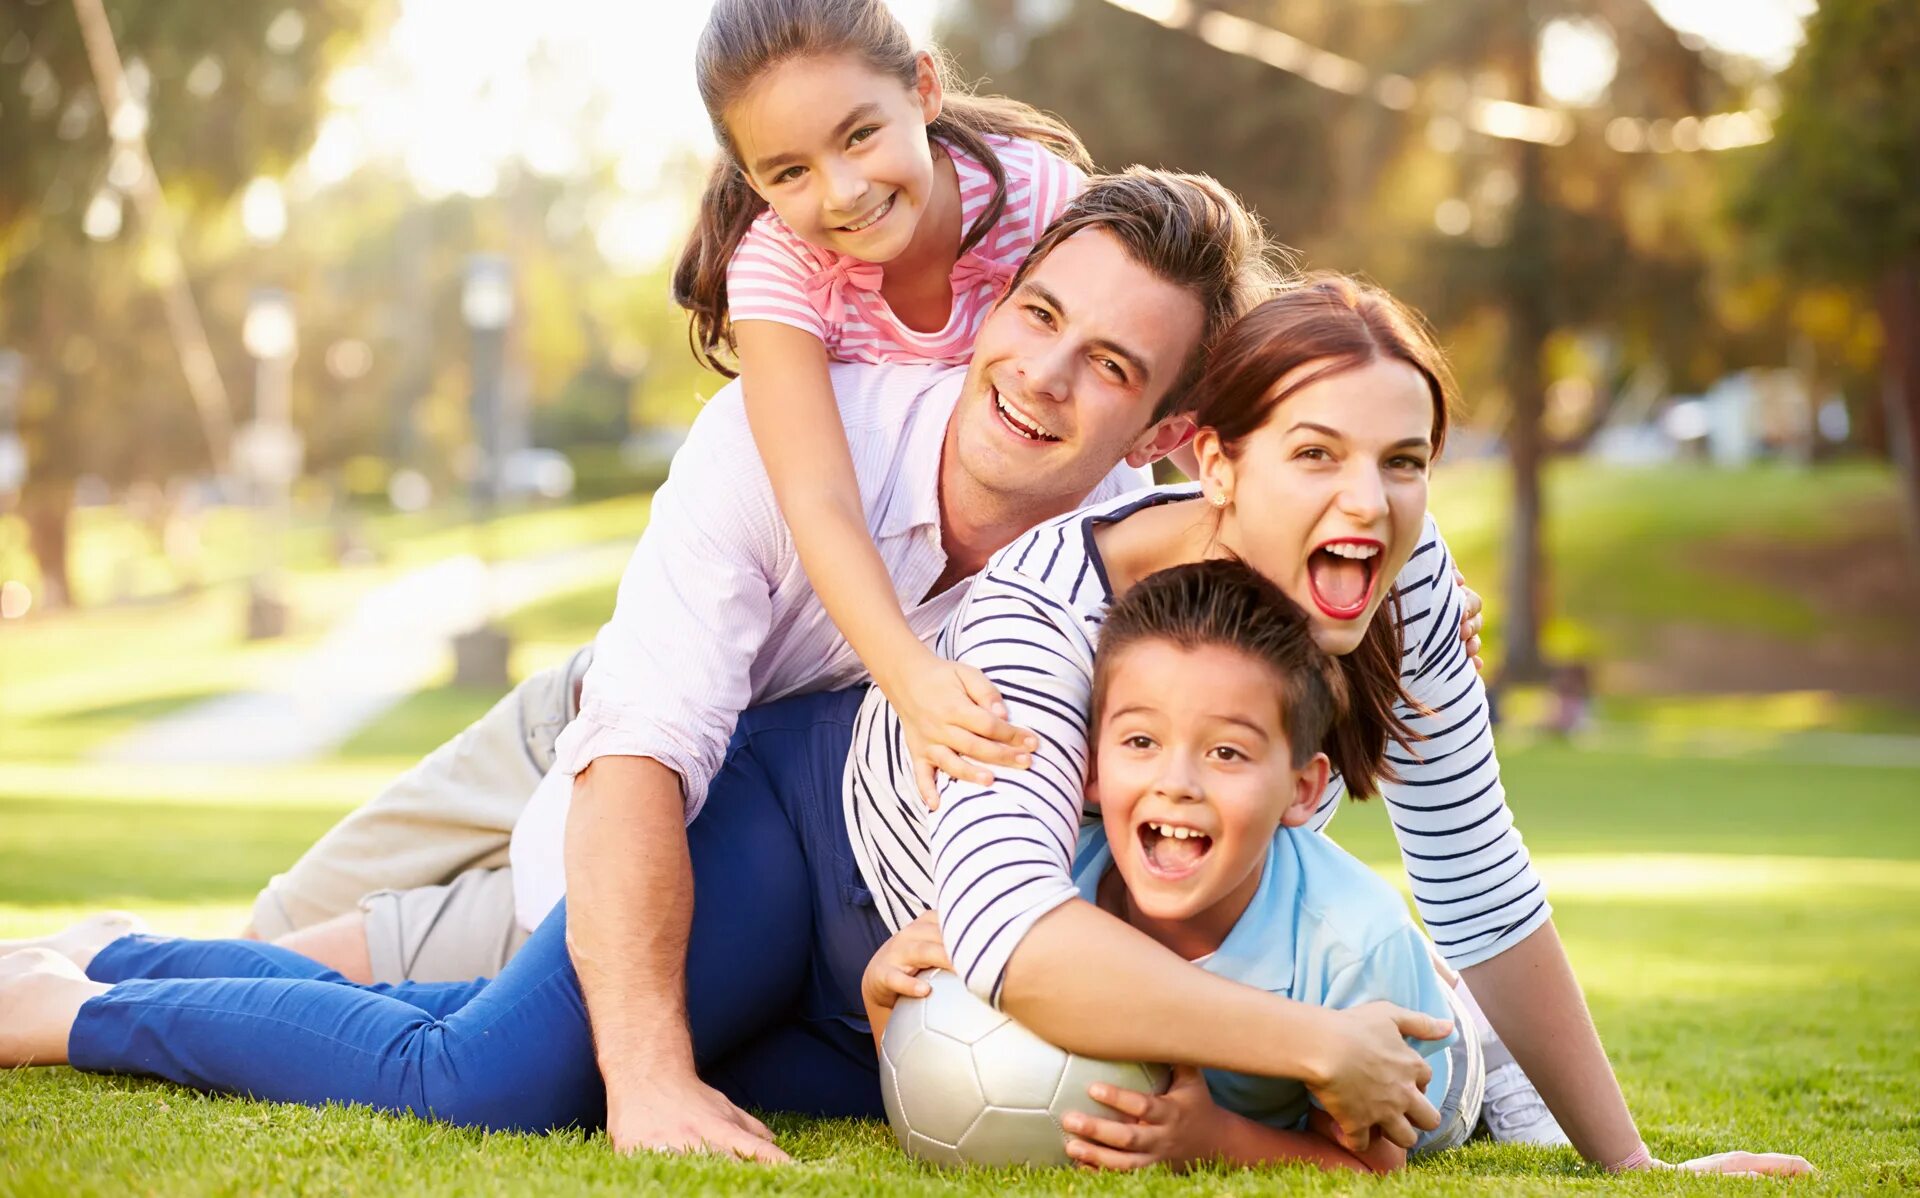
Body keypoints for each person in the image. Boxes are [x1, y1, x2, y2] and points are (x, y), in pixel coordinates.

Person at [2, 173, 1457, 1155]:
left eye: (1119, 367)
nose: (1053, 376)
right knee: (487, 1077)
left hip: (883, 963)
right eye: (1038, 318)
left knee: (480, 1030)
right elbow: (655, 742)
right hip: (775, 826)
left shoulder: (1309, 579)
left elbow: (1432, 915)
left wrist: (1586, 1140)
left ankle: (124, 951)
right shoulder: (1035, 574)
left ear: (1168, 428)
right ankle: (73, 1003)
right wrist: (1307, 1041)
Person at [540, 275, 1809, 1174]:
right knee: (505, 1079)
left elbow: (1474, 886)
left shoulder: (1403, 580)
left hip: (920, 990)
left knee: (772, 1090)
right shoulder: (1048, 600)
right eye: (1315, 452)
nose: (1367, 499)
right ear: (1217, 462)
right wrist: (1318, 1043)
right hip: (820, 851)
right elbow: (1010, 930)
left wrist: (1631, 1162)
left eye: (1405, 460)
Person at [861, 559, 1483, 1174]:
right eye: (1141, 742)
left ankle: (1471, 1015)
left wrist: (1216, 1141)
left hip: (1424, 1068)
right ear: (1092, 769)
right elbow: (928, 1072)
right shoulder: (1054, 888)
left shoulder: (1353, 951)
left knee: (1430, 1034)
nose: (1177, 782)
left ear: (1302, 790)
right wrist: (884, 997)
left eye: (1226, 752)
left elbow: (1373, 1168)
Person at [677, 0, 1098, 802]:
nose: (842, 192)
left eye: (859, 134)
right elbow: (817, 497)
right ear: (752, 181)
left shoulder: (1040, 202)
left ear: (925, 90)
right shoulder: (779, 267)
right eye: (789, 172)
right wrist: (911, 677)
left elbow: (1140, 380)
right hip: (753, 652)